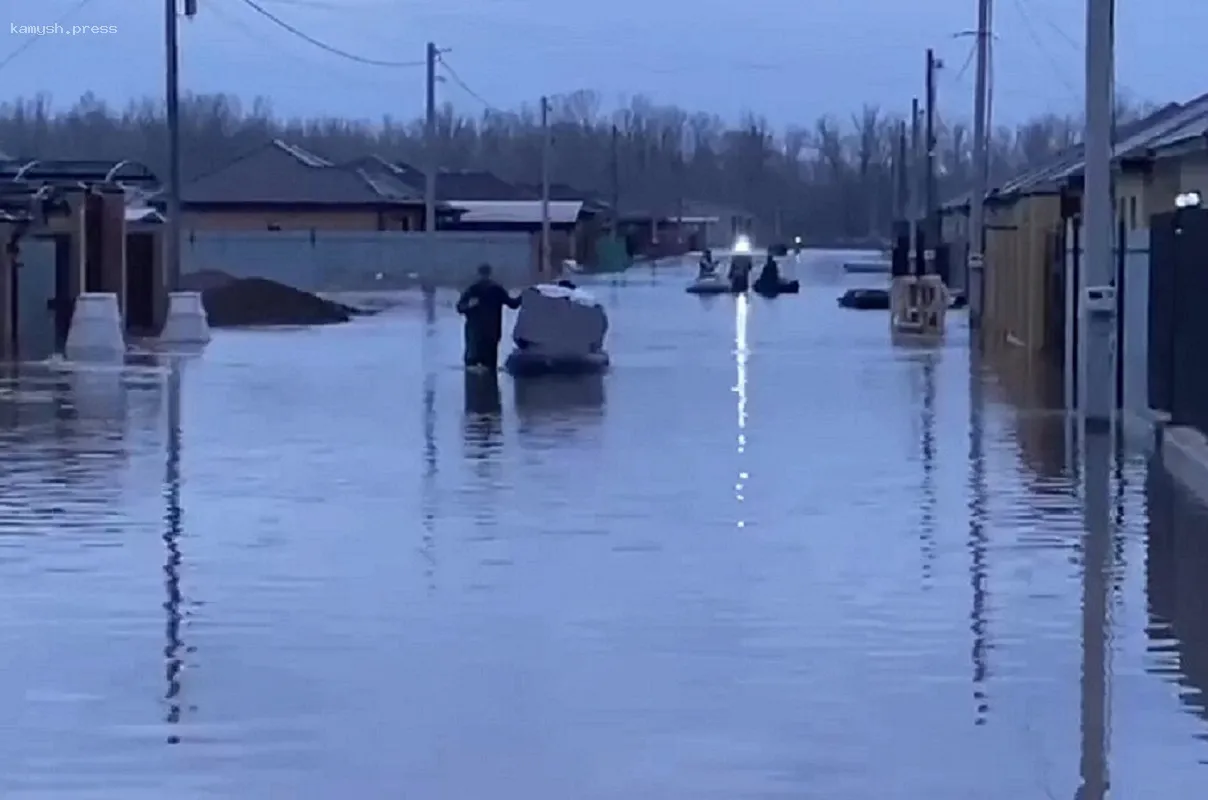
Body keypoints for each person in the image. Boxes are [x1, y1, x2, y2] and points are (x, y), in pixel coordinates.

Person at [456, 263, 520, 371]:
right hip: (492, 331)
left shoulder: (473, 289)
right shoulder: (496, 289)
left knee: (472, 364)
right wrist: (525, 295)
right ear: (490, 274)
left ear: (479, 273)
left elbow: (460, 308)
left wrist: (469, 306)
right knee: (490, 366)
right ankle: (490, 386)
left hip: (475, 333)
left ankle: (478, 384)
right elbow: (513, 304)